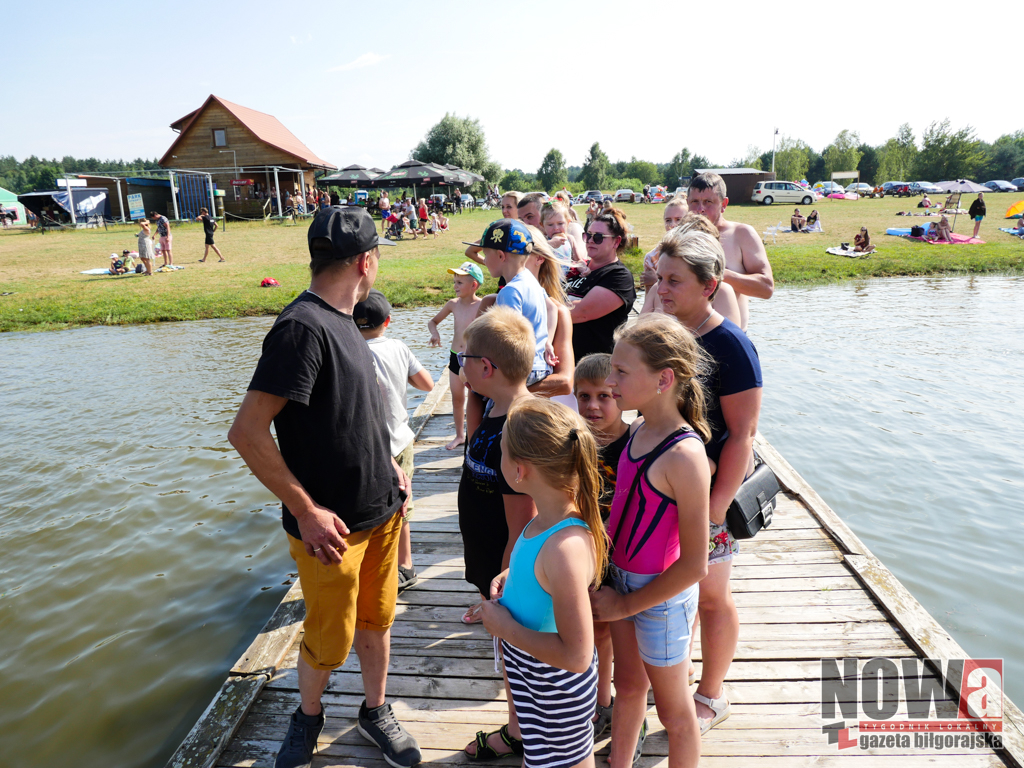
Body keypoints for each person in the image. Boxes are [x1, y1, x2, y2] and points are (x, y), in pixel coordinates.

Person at [227, 206, 422, 768]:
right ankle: (307, 718)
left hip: (384, 511)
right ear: (367, 261)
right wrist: (307, 512)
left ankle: (375, 710)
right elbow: (246, 432)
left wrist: (391, 469)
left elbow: (350, 417)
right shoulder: (301, 328)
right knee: (328, 640)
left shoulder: (345, 319)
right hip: (331, 531)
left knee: (377, 621)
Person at [589, 314, 712, 768]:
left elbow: (696, 564)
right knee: (630, 688)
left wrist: (624, 606)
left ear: (663, 379)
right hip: (621, 580)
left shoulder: (684, 454)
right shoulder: (639, 431)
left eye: (621, 371)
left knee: (673, 711)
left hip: (659, 597)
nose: (611, 379)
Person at [654, 228, 763, 737]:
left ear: (710, 284)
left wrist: (717, 509)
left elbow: (742, 434)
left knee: (713, 595)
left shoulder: (730, 345)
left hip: (708, 496)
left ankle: (712, 693)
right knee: (676, 593)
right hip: (664, 488)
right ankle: (676, 679)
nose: (663, 288)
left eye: (674, 280)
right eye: (660, 278)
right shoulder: (666, 334)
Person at [477, 398, 606, 768]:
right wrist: (509, 580)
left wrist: (505, 627)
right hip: (532, 679)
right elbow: (536, 576)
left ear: (519, 471)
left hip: (556, 691)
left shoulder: (564, 548)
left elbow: (577, 656)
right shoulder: (542, 520)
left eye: (501, 451)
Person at [456, 306, 536, 631]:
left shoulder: (520, 429)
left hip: (504, 568)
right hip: (484, 553)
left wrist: (506, 590)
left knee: (509, 637)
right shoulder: (493, 405)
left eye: (465, 358)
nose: (460, 364)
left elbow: (522, 524)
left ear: (486, 367)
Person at [354, 289, 435, 594]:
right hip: (401, 441)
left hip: (370, 446)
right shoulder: (398, 347)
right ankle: (406, 566)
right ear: (388, 320)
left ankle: (374, 569)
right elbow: (427, 384)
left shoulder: (352, 351)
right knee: (403, 508)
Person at [573, 353, 629, 739]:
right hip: (582, 551)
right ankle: (585, 696)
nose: (593, 406)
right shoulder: (573, 442)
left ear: (622, 395)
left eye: (604, 396)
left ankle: (605, 703)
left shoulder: (636, 441)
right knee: (586, 628)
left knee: (607, 631)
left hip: (623, 556)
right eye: (583, 396)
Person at [687, 172, 773, 331]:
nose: (700, 209)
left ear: (724, 204)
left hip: (729, 339)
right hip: (686, 339)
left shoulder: (741, 234)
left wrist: (721, 275)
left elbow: (766, 288)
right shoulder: (680, 237)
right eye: (694, 202)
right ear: (687, 203)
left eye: (708, 202)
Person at [480, 219, 551, 387]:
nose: (483, 260)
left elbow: (508, 340)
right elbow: (552, 307)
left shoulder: (510, 291)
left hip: (523, 371)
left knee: (491, 409)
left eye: (485, 254)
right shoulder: (532, 282)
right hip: (540, 366)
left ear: (500, 255)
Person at [566, 207, 637, 361]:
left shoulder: (619, 276)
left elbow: (581, 312)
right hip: (565, 360)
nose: (590, 240)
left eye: (598, 237)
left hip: (595, 367)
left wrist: (543, 306)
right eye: (588, 235)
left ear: (616, 241)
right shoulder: (577, 268)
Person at [428, 262, 484, 450]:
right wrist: (435, 334)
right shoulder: (453, 304)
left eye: (459, 282)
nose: (455, 286)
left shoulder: (483, 305)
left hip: (474, 358)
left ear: (474, 285)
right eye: (454, 282)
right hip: (455, 357)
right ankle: (460, 435)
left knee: (476, 397)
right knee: (457, 397)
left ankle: (475, 436)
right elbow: (433, 321)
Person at [640, 196, 688, 312]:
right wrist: (652, 284)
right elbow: (649, 302)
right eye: (668, 220)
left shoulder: (698, 253)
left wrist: (656, 281)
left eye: (678, 220)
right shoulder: (653, 257)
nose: (673, 225)